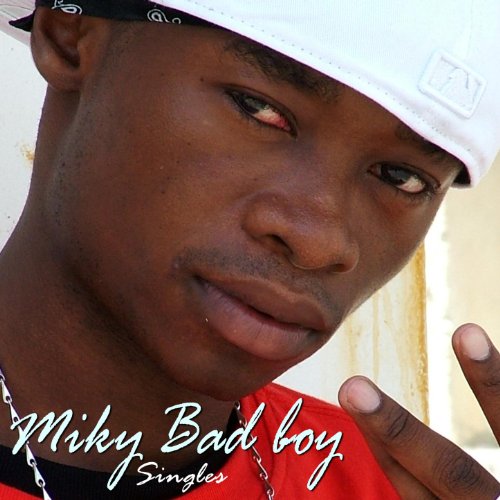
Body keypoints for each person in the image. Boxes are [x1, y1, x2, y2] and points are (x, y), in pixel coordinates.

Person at [0, 0, 499, 498]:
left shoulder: (385, 488)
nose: (319, 243)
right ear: (70, 32)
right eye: (260, 111)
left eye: (402, 178)